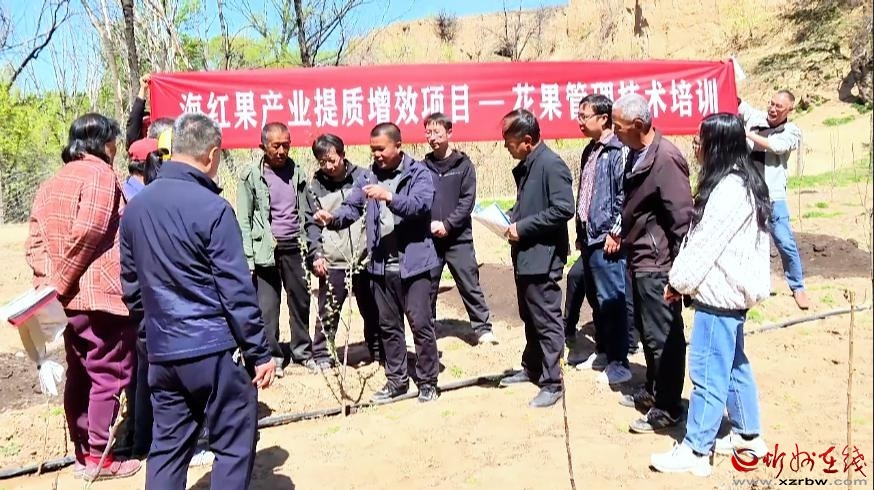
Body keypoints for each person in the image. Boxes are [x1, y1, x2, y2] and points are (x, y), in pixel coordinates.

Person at [120, 113, 276, 489]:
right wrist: (259, 352)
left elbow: (132, 288)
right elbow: (236, 290)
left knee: (168, 449)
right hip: (213, 349)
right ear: (212, 154)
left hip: (163, 352)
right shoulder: (213, 208)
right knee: (234, 443)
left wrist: (151, 339)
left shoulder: (136, 208)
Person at [650, 113, 771, 476]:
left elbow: (704, 244)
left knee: (706, 371)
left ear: (716, 146)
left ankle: (697, 449)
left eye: (700, 141)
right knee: (733, 365)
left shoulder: (729, 190)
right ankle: (748, 435)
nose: (695, 146)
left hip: (720, 296)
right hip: (731, 292)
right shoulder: (743, 180)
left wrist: (678, 283)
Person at [25, 113, 140, 481]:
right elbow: (89, 229)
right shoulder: (101, 175)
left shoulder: (51, 183)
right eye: (114, 142)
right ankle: (100, 458)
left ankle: (82, 451)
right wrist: (61, 281)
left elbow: (35, 243)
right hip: (99, 295)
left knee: (81, 372)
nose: (116, 149)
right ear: (105, 144)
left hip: (64, 302)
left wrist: (49, 286)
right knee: (109, 373)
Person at [314, 122, 441, 403]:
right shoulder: (368, 175)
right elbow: (352, 207)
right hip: (381, 266)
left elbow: (421, 205)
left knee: (421, 325)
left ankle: (428, 381)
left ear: (398, 145)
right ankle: (397, 380)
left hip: (414, 265)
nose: (376, 155)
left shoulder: (418, 172)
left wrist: (389, 197)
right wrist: (332, 219)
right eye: (373, 150)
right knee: (389, 327)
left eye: (381, 149)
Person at [612, 93, 692, 433]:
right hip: (640, 256)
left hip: (659, 264)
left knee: (663, 337)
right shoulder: (637, 154)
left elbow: (681, 219)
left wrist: (680, 274)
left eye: (618, 126)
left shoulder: (666, 159)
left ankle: (669, 407)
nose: (615, 132)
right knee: (647, 331)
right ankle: (654, 389)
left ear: (638, 125)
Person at [497, 109, 575, 408]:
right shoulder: (529, 165)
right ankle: (532, 367)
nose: (506, 147)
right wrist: (510, 218)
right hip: (527, 255)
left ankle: (552, 383)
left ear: (527, 141)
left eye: (509, 142)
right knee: (530, 316)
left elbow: (563, 208)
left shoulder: (551, 165)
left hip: (543, 257)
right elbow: (532, 205)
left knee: (546, 320)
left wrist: (523, 226)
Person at [237, 122, 317, 375]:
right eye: (276, 146)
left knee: (301, 302)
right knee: (267, 308)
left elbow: (308, 212)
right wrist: (248, 259)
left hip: (295, 246)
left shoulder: (298, 172)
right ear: (263, 146)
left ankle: (302, 352)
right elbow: (244, 220)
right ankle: (273, 355)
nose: (282, 151)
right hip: (266, 251)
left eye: (286, 145)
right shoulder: (251, 176)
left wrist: (312, 246)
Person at [568, 94, 633, 385]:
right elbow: (585, 193)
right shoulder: (590, 150)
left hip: (608, 237)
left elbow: (624, 195)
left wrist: (616, 231)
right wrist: (580, 233)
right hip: (590, 236)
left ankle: (620, 362)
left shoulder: (618, 150)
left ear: (604, 118)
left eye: (584, 116)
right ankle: (604, 352)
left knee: (612, 299)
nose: (579, 121)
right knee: (596, 300)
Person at [306, 134, 382, 368]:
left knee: (372, 308)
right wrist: (317, 254)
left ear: (343, 154)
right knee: (329, 310)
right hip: (333, 259)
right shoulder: (314, 186)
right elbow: (311, 224)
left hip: (364, 257)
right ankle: (322, 354)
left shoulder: (363, 177)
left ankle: (377, 350)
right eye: (322, 162)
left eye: (332, 160)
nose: (328, 166)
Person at [422, 112, 498, 346]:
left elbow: (467, 201)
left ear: (449, 133)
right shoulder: (422, 167)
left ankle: (482, 328)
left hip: (458, 239)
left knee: (469, 283)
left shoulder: (464, 165)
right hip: (430, 239)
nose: (432, 137)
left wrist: (448, 225)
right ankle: (427, 328)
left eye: (437, 132)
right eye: (428, 132)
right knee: (427, 286)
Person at [738, 90, 809, 310]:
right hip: (749, 194)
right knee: (747, 242)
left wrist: (747, 135)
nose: (773, 108)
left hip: (773, 197)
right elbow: (739, 104)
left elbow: (776, 146)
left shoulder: (792, 132)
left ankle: (798, 286)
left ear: (789, 109)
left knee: (785, 242)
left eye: (779, 106)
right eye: (771, 103)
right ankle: (748, 287)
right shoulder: (756, 118)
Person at [125, 74, 174, 144]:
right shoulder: (144, 122)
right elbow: (133, 124)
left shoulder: (170, 123)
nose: (148, 128)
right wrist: (143, 89)